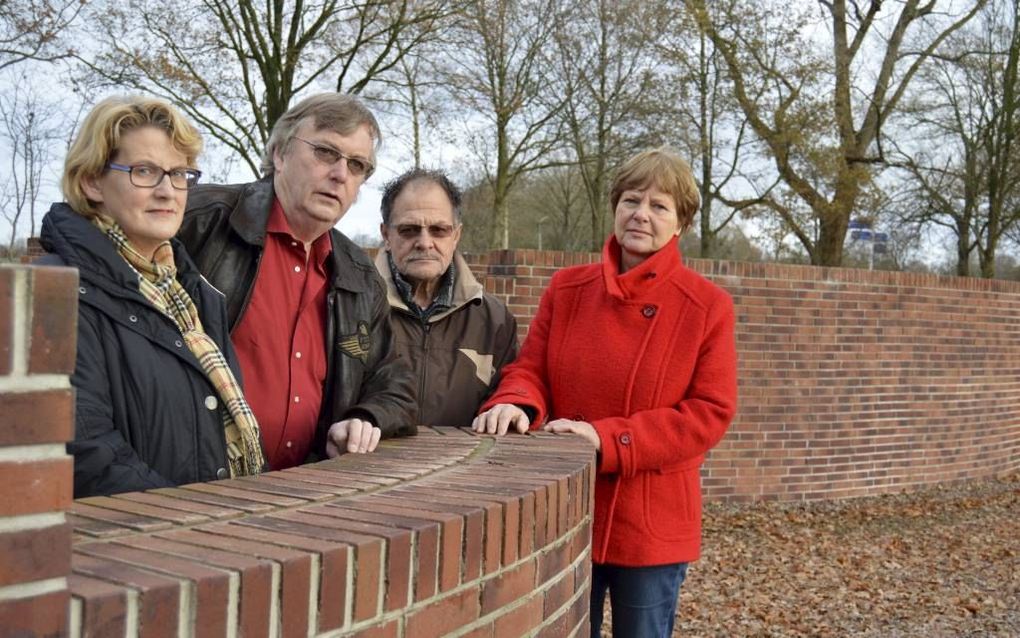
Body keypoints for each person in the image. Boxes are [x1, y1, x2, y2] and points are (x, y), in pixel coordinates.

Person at [472, 147, 738, 637]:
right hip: (567, 510)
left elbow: (709, 413)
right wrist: (515, 401)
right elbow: (530, 369)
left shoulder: (706, 307)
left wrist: (608, 440)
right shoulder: (567, 289)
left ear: (680, 224)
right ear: (614, 207)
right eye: (632, 200)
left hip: (651, 520)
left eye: (660, 206)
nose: (641, 214)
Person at [38, 96, 266, 497]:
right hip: (135, 546)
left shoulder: (194, 297)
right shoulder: (59, 293)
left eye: (180, 174)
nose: (168, 191)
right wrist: (190, 520)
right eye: (145, 171)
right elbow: (86, 452)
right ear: (92, 181)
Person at [177, 93, 415, 470]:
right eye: (325, 152)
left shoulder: (359, 272)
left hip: (303, 493)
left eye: (357, 165)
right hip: (195, 485)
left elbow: (392, 380)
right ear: (279, 154)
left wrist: (367, 417)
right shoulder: (198, 221)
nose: (340, 174)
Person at [375, 169, 518, 427]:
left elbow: (508, 397)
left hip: (463, 466)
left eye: (439, 230)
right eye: (409, 230)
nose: (425, 242)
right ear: (386, 235)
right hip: (363, 465)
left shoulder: (495, 320)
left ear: (456, 236)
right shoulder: (351, 306)